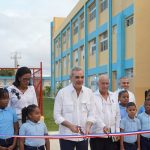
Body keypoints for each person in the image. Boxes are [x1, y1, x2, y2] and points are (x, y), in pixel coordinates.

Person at [54, 66, 95, 150]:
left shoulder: (89, 92)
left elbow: (92, 113)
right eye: (77, 77)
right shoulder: (62, 93)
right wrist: (70, 126)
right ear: (71, 78)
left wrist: (88, 126)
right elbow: (56, 115)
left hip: (83, 136)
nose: (80, 80)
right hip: (66, 137)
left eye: (82, 77)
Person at [90, 74, 120, 150]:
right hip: (97, 135)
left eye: (107, 83)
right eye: (103, 83)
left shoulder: (114, 95)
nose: (105, 85)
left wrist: (117, 131)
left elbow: (117, 114)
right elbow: (94, 114)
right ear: (98, 84)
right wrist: (103, 126)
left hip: (112, 135)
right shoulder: (92, 96)